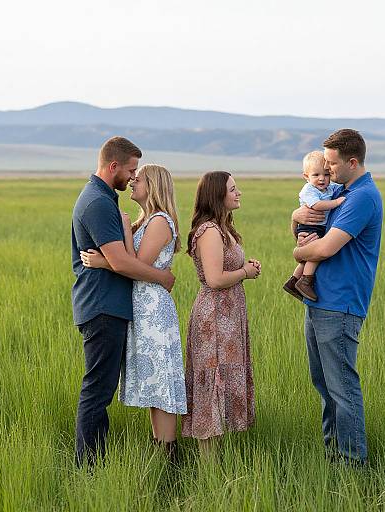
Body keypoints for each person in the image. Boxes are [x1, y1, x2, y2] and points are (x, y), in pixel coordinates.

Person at [71, 137, 175, 467]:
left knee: (101, 390)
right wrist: (162, 277)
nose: (132, 177)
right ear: (113, 166)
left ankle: (94, 464)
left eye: (138, 174)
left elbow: (118, 259)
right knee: (98, 391)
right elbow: (120, 261)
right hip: (103, 307)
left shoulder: (104, 199)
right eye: (130, 170)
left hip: (110, 306)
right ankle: (88, 467)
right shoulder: (99, 203)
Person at [293, 129, 383, 466]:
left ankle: (352, 466)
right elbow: (311, 229)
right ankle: (334, 459)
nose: (327, 169)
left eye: (332, 163)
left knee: (342, 389)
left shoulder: (360, 197)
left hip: (340, 304)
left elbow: (327, 246)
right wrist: (295, 219)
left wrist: (296, 252)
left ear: (353, 162)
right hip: (319, 300)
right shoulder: (339, 191)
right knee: (325, 386)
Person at [181, 171, 261, 454]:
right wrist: (245, 272)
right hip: (214, 318)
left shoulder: (223, 228)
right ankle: (208, 469)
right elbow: (214, 279)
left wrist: (243, 269)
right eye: (233, 189)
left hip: (229, 315)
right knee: (211, 383)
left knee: (224, 381)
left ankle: (216, 463)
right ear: (217, 195)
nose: (238, 193)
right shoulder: (210, 231)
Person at [283, 151, 345, 301]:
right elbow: (316, 205)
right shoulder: (309, 190)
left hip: (318, 226)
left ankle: (293, 280)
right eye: (316, 175)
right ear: (306, 177)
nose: (322, 179)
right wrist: (335, 203)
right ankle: (306, 280)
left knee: (308, 256)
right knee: (315, 253)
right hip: (310, 226)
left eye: (326, 174)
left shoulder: (329, 189)